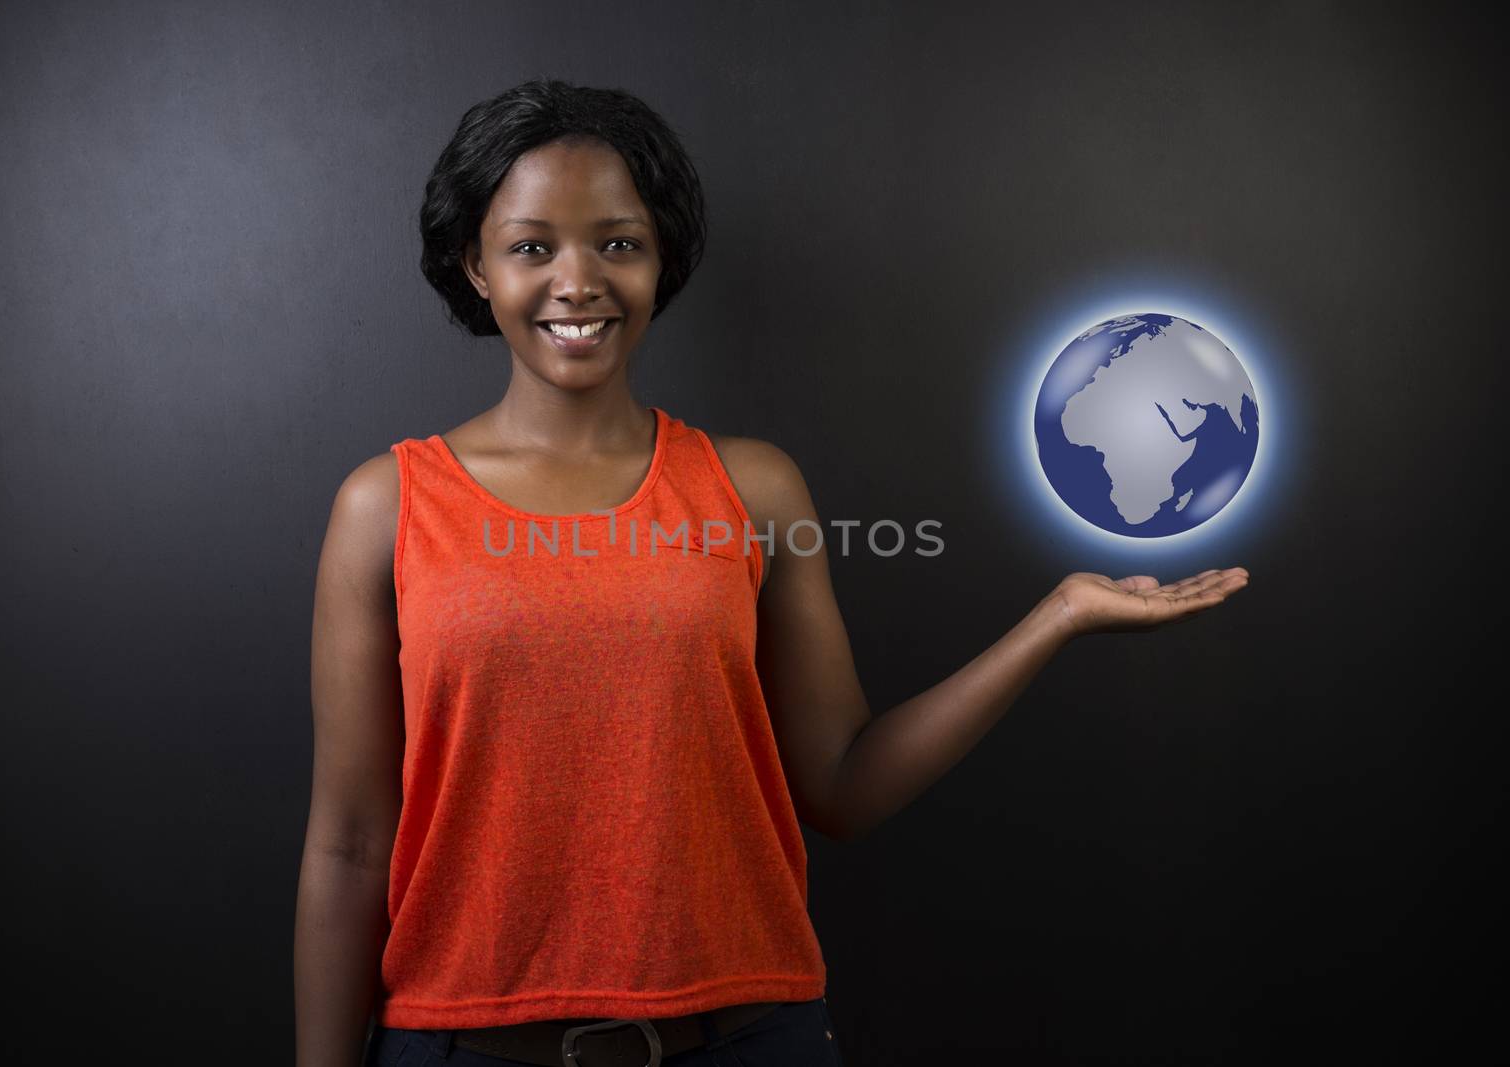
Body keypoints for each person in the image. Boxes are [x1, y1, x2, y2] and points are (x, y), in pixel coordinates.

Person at [293, 78, 1249, 1067]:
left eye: (617, 242)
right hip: (460, 1045)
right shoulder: (387, 505)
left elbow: (841, 784)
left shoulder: (753, 488)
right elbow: (351, 843)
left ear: (660, 261)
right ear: (475, 266)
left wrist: (1056, 616)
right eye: (532, 245)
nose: (577, 279)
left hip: (748, 1041)